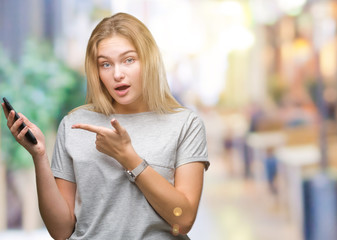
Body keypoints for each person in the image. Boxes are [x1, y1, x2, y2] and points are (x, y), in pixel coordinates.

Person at [2, 12, 209, 239]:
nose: (117, 74)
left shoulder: (185, 124)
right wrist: (39, 155)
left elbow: (183, 219)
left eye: (129, 60)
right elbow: (60, 231)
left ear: (148, 60)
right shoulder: (74, 125)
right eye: (106, 64)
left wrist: (128, 157)